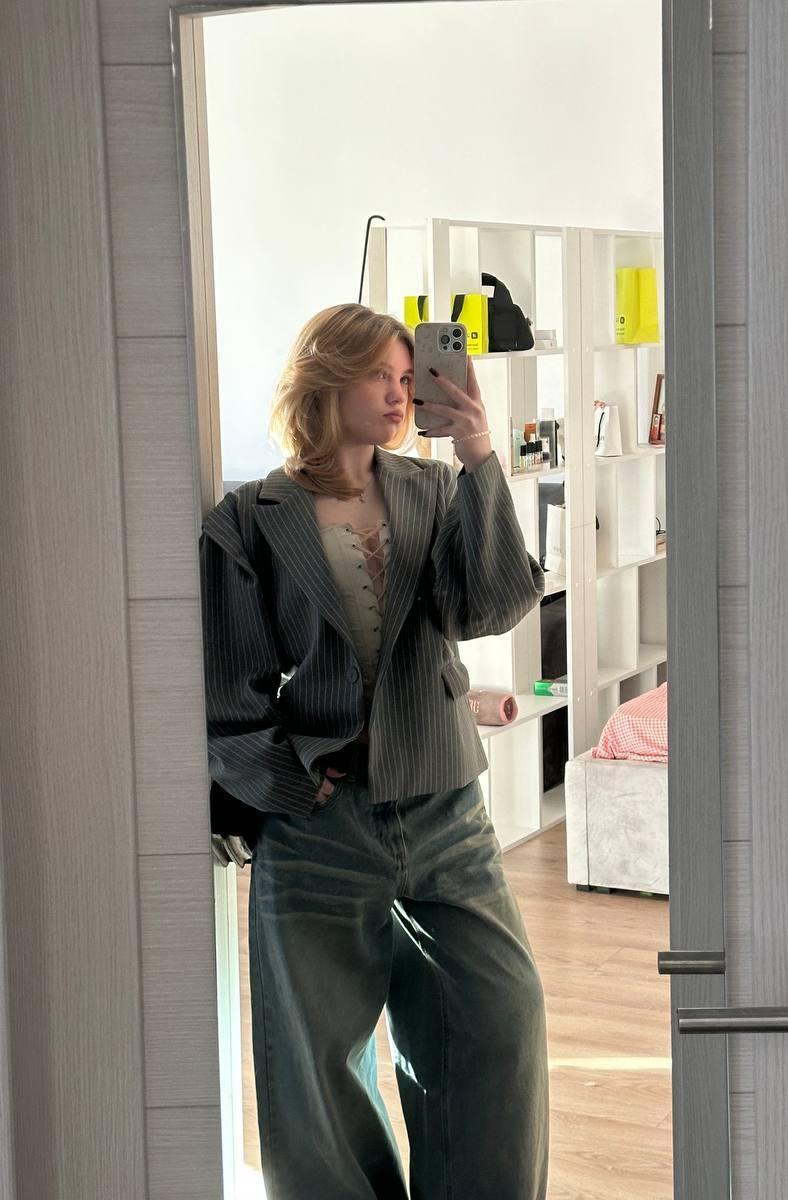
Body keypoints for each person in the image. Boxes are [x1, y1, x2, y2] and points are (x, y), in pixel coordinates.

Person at [198, 303, 550, 1200]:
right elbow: (230, 685)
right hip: (319, 824)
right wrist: (286, 783)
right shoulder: (248, 518)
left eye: (406, 378)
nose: (399, 396)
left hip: (445, 806)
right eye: (379, 378)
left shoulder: (433, 489)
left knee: (499, 1022)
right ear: (326, 379)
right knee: (315, 1065)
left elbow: (492, 605)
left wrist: (478, 454)